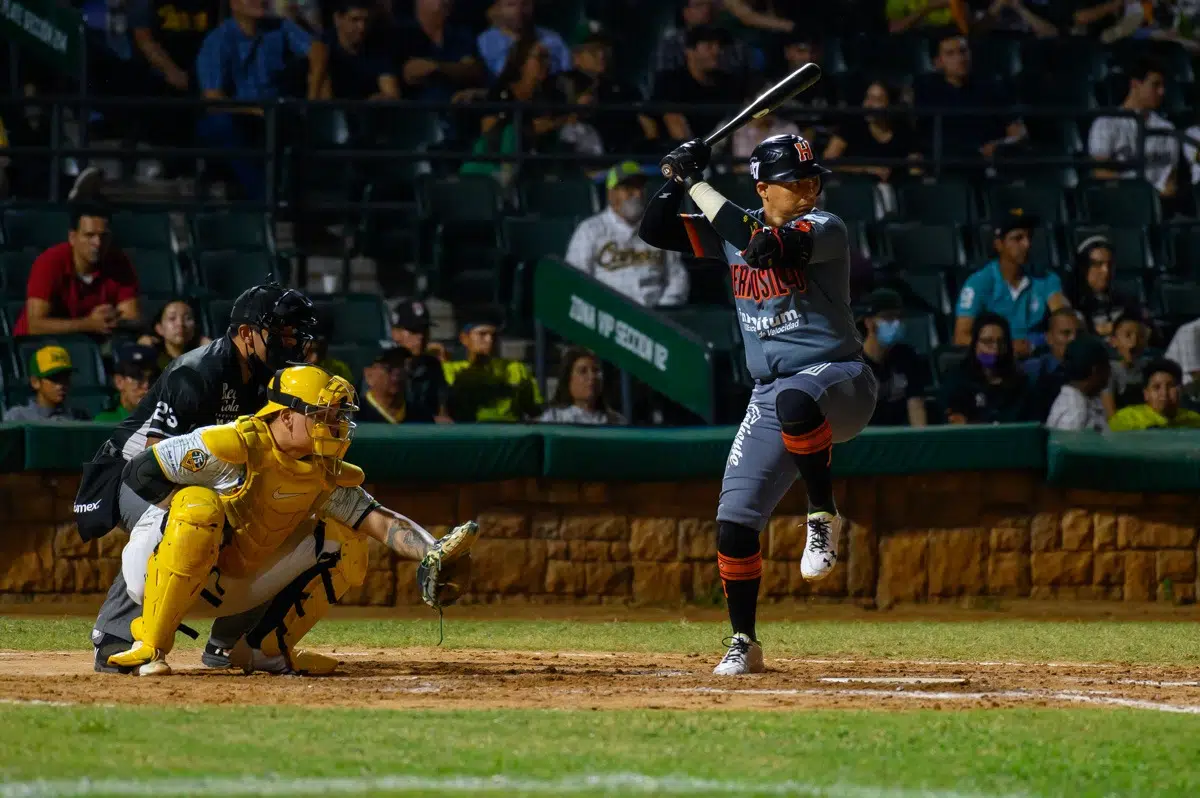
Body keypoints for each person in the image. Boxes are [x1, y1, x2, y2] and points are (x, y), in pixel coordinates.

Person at [639, 133, 878, 675]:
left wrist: (697, 182)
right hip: (770, 391)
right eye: (798, 182)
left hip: (840, 379)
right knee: (733, 522)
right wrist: (675, 180)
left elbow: (763, 247)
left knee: (798, 398)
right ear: (764, 187)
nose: (811, 189)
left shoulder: (824, 227)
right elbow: (654, 231)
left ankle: (822, 514)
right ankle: (744, 641)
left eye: (814, 179)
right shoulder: (731, 226)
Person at [103, 364, 479, 675]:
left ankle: (265, 649)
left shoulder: (322, 470)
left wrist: (434, 552)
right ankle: (150, 644)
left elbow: (376, 519)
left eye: (337, 417)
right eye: (323, 416)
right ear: (286, 416)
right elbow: (139, 472)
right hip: (159, 570)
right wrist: (194, 530)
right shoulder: (233, 444)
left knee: (347, 538)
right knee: (198, 505)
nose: (334, 426)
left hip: (232, 583)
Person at [84, 283, 320, 673]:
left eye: (296, 333)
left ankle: (230, 643)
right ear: (247, 334)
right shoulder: (197, 371)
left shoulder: (268, 378)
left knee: (274, 516)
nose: (292, 342)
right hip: (131, 472)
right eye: (284, 332)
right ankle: (115, 636)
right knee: (179, 514)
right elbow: (155, 460)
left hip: (205, 474)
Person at [195, 0, 330, 199]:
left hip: (276, 113)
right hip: (238, 116)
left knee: (300, 122)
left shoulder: (279, 26)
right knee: (222, 126)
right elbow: (213, 99)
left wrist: (312, 94)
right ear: (234, 3)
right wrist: (255, 111)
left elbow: (318, 50)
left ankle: (308, 202)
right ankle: (264, 198)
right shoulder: (217, 41)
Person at [565, 162, 690, 308]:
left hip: (657, 316)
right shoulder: (590, 230)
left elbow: (677, 277)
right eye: (628, 188)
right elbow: (575, 281)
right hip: (609, 315)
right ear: (611, 193)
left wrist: (664, 310)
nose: (637, 194)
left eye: (640, 187)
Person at [13, 202, 141, 338]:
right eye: (89, 235)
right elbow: (35, 325)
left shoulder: (119, 262)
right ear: (73, 237)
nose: (97, 243)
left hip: (94, 343)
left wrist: (111, 320)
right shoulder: (50, 262)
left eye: (103, 236)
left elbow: (131, 317)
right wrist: (89, 324)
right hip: (43, 344)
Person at [954, 209, 1068, 356]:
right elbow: (961, 337)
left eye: (1029, 237)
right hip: (998, 360)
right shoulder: (979, 283)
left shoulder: (1047, 279)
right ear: (999, 244)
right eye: (1018, 238)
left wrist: (1042, 340)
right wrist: (1004, 348)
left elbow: (1063, 318)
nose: (1027, 244)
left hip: (1038, 356)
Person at [913, 34, 1026, 162]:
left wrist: (1000, 145)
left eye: (963, 51)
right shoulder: (924, 88)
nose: (960, 58)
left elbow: (1018, 132)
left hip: (986, 162)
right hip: (943, 163)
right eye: (950, 54)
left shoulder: (993, 84)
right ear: (938, 62)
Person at [1087, 59, 1180, 212]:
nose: (1162, 92)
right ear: (1135, 84)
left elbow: (1171, 180)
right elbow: (1100, 171)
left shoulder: (1167, 128)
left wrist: (1156, 198)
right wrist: (1137, 194)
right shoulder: (1106, 123)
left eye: (1163, 86)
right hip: (1118, 204)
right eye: (1155, 85)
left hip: (1159, 207)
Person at [651, 25, 744, 144]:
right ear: (690, 51)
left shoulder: (731, 83)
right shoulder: (670, 82)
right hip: (680, 154)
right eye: (709, 46)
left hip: (723, 153)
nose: (717, 52)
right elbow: (673, 124)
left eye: (720, 47)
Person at [940, 312, 1036, 425]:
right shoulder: (956, 380)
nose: (995, 349)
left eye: (1001, 342)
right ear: (975, 345)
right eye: (987, 342)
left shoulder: (1021, 383)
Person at [444, 314, 542, 423]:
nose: (489, 340)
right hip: (468, 434)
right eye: (482, 334)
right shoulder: (449, 370)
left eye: (494, 335)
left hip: (507, 433)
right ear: (464, 338)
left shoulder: (516, 369)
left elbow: (534, 411)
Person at [823, 80, 921, 184]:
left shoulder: (903, 130)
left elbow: (914, 168)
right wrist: (866, 169)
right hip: (856, 187)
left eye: (877, 100)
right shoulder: (852, 125)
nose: (869, 105)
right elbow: (828, 161)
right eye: (868, 98)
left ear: (890, 105)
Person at [857, 288, 928, 427]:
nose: (895, 323)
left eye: (899, 317)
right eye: (888, 317)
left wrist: (921, 442)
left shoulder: (908, 357)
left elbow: (916, 405)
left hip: (900, 437)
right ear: (869, 322)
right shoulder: (852, 362)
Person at [397, 0, 485, 104]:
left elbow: (473, 71)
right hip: (415, 112)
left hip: (458, 110)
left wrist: (437, 67)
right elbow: (411, 73)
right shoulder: (401, 34)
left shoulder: (461, 35)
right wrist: (455, 69)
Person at [1066, 236, 1145, 337]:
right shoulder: (1069, 305)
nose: (1106, 271)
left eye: (1110, 264)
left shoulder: (1126, 301)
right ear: (1082, 268)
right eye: (1098, 264)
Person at [653, 0, 748, 81]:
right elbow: (664, 77)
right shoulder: (671, 43)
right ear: (686, 12)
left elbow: (738, 74)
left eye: (709, 5)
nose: (707, 10)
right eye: (699, 5)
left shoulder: (730, 39)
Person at [390, 299, 451, 422]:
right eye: (414, 331)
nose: (421, 336)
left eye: (424, 330)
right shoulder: (382, 368)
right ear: (396, 333)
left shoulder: (432, 366)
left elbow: (442, 410)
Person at [324, 0, 399, 100]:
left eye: (366, 21)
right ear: (338, 19)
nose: (362, 27)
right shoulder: (323, 47)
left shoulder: (377, 50)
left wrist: (380, 99)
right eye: (355, 20)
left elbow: (392, 94)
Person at [476, 0, 570, 79]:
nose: (518, 11)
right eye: (511, 5)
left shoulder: (553, 39)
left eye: (525, 4)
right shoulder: (485, 41)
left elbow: (568, 72)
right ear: (498, 8)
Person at [537, 348, 627, 425]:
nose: (592, 377)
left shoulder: (616, 421)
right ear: (568, 380)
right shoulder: (554, 418)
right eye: (583, 371)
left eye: (596, 370)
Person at [2, 345, 91, 422]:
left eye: (65, 378)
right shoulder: (18, 417)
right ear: (35, 382)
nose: (61, 385)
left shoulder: (79, 417)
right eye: (54, 378)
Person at [1109, 358, 1200, 430]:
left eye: (1171, 386)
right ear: (1146, 394)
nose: (1164, 393)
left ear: (1181, 390)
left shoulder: (1195, 421)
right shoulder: (1126, 419)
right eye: (1156, 387)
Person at [1046, 335, 1112, 431]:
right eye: (1107, 366)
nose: (1110, 372)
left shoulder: (1089, 398)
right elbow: (1067, 445)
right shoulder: (1075, 410)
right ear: (1096, 370)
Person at [94, 345, 162, 424]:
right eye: (137, 377)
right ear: (119, 381)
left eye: (152, 378)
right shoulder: (105, 422)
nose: (146, 385)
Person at [137, 298, 211, 370]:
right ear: (159, 328)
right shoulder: (152, 359)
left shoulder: (203, 357)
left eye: (188, 318)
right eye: (172, 318)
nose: (180, 324)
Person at [1104, 315, 1152, 414]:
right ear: (1113, 341)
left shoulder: (1149, 367)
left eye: (1140, 336)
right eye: (1128, 335)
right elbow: (1110, 414)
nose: (1134, 341)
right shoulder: (1109, 370)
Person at [356, 346, 412, 423]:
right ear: (369, 375)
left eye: (401, 366)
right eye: (388, 368)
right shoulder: (354, 416)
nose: (396, 373)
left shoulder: (421, 416)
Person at [887, 0, 954, 32]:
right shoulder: (896, 2)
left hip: (954, 31)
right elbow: (894, 28)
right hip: (922, 37)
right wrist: (927, 8)